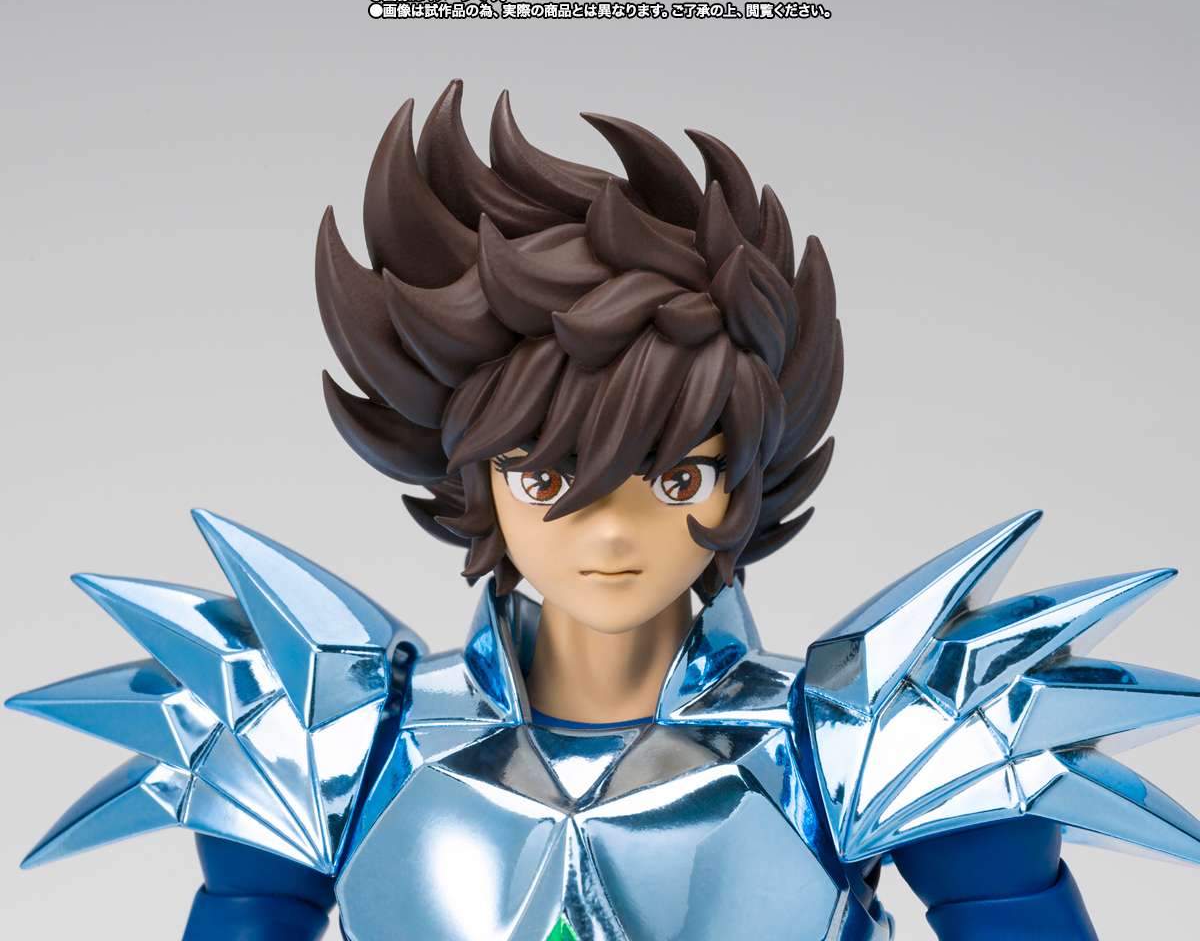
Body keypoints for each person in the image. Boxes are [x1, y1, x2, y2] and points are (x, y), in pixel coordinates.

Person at [10, 81, 1200, 941]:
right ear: (475, 483)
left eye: (675, 478)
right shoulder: (333, 742)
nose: (612, 531)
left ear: (742, 479)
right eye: (548, 481)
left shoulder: (867, 743)